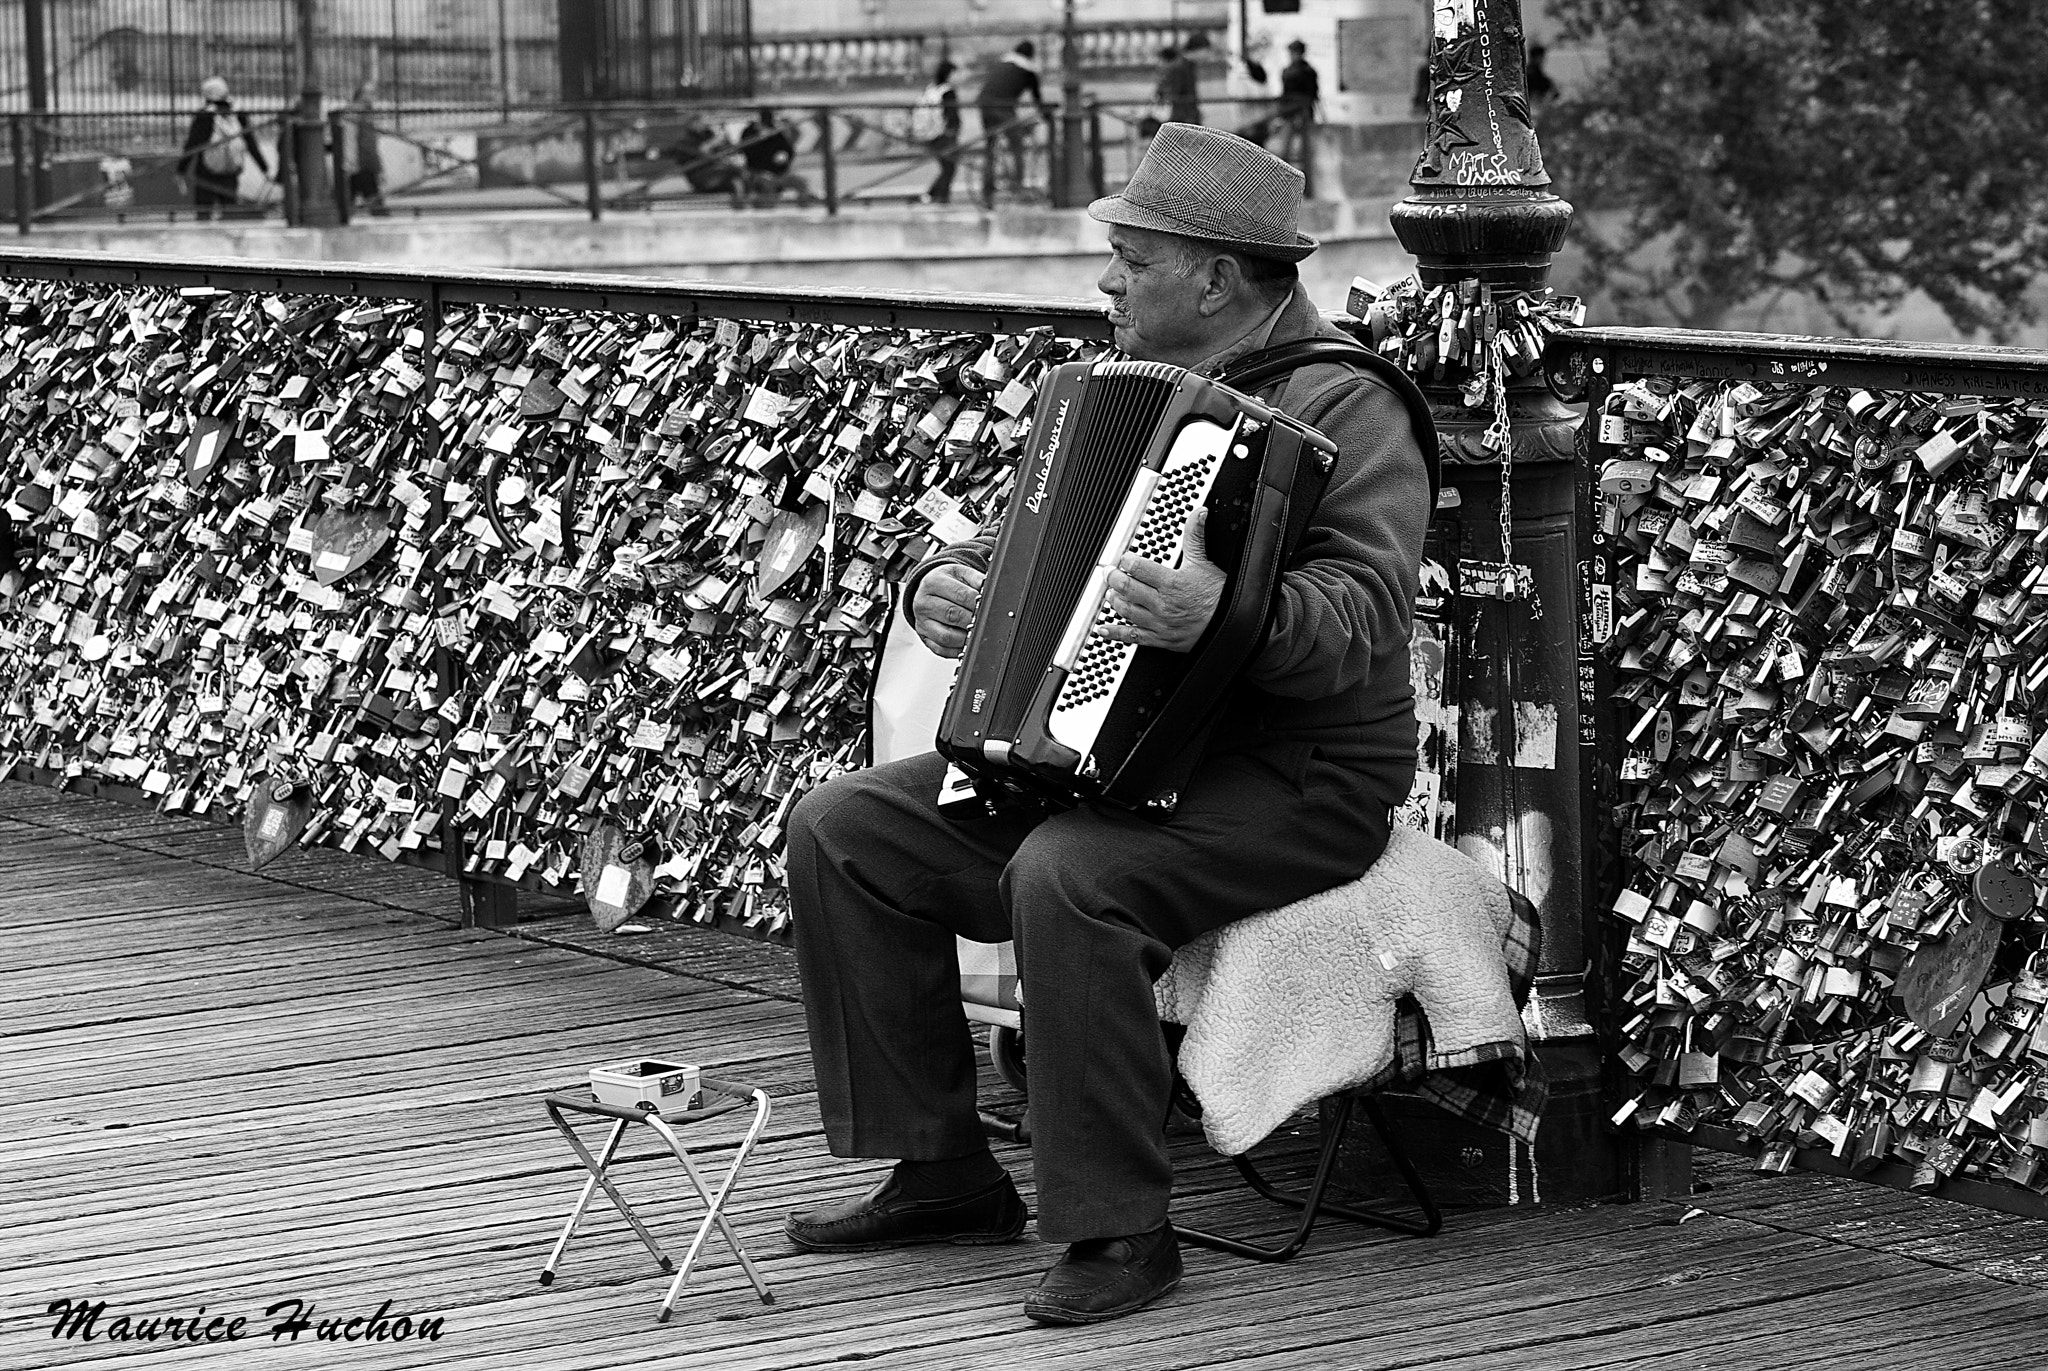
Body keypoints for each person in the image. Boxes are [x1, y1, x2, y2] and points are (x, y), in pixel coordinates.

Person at [781, 123, 1431, 1325]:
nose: (1106, 282)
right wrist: (939, 582)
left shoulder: (1350, 405)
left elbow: (1366, 612)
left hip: (1295, 776)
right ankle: (940, 1171)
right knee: (843, 828)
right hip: (1109, 753)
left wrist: (1219, 612)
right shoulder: (1111, 392)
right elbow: (1018, 542)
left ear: (1215, 279)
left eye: (1130, 260)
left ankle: (1121, 1230)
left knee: (1067, 873)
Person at [179, 77, 268, 221]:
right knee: (230, 213)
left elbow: (192, 144)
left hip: (206, 173)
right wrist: (264, 168)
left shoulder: (205, 115)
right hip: (230, 173)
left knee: (204, 214)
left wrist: (181, 169)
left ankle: (205, 240)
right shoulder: (238, 113)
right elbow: (250, 142)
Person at [974, 40, 1044, 193]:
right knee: (1016, 144)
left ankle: (988, 185)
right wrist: (1044, 114)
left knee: (990, 145)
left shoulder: (1003, 62)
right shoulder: (1028, 70)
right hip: (1002, 108)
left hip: (985, 104)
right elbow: (1037, 97)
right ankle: (1018, 184)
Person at [733, 107, 816, 209]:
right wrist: (759, 136)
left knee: (801, 183)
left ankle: (804, 212)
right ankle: (765, 209)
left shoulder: (777, 131)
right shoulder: (749, 132)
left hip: (779, 173)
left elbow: (788, 150)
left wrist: (784, 157)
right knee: (766, 185)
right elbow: (746, 152)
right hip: (758, 173)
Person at [917, 60, 963, 205]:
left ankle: (934, 195)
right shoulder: (948, 92)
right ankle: (938, 197)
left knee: (947, 167)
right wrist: (953, 133)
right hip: (943, 134)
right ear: (949, 75)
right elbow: (952, 115)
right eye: (956, 73)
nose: (959, 77)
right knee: (949, 167)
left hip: (926, 133)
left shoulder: (930, 89)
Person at [342, 79, 389, 218]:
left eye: (373, 93)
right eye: (368, 93)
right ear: (360, 94)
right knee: (375, 202)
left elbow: (372, 143)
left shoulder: (367, 112)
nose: (372, 96)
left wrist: (379, 166)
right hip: (360, 164)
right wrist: (350, 161)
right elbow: (349, 138)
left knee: (348, 202)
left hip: (366, 162)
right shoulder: (355, 111)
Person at [1274, 39, 1319, 167]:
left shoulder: (1308, 71)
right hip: (1289, 113)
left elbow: (1312, 94)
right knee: (1285, 147)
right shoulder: (1287, 70)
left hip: (1302, 113)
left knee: (1306, 149)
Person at [1155, 44, 1201, 127]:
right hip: (1188, 112)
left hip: (1183, 114)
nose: (1160, 64)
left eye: (1162, 61)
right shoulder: (1186, 66)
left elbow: (1176, 92)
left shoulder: (1178, 70)